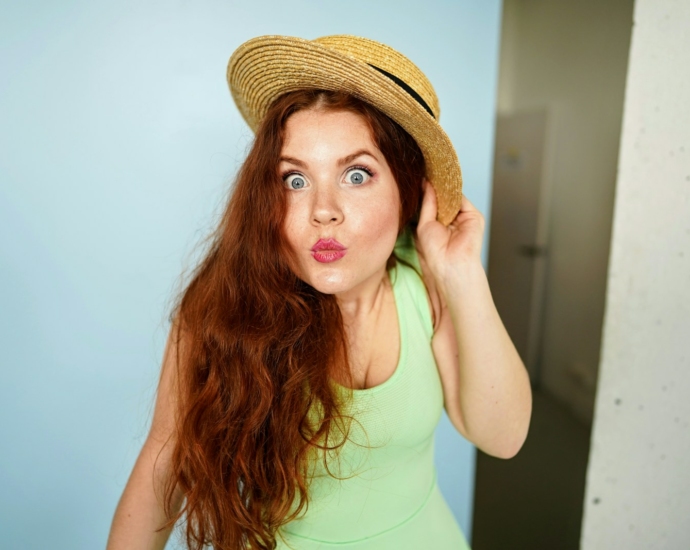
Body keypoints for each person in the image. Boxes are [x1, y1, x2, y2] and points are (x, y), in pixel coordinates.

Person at [106, 35, 532, 550]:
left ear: (408, 190)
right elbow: (163, 462)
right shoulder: (219, 308)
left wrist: (460, 271)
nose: (322, 210)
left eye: (356, 175)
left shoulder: (429, 286)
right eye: (294, 179)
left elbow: (502, 437)